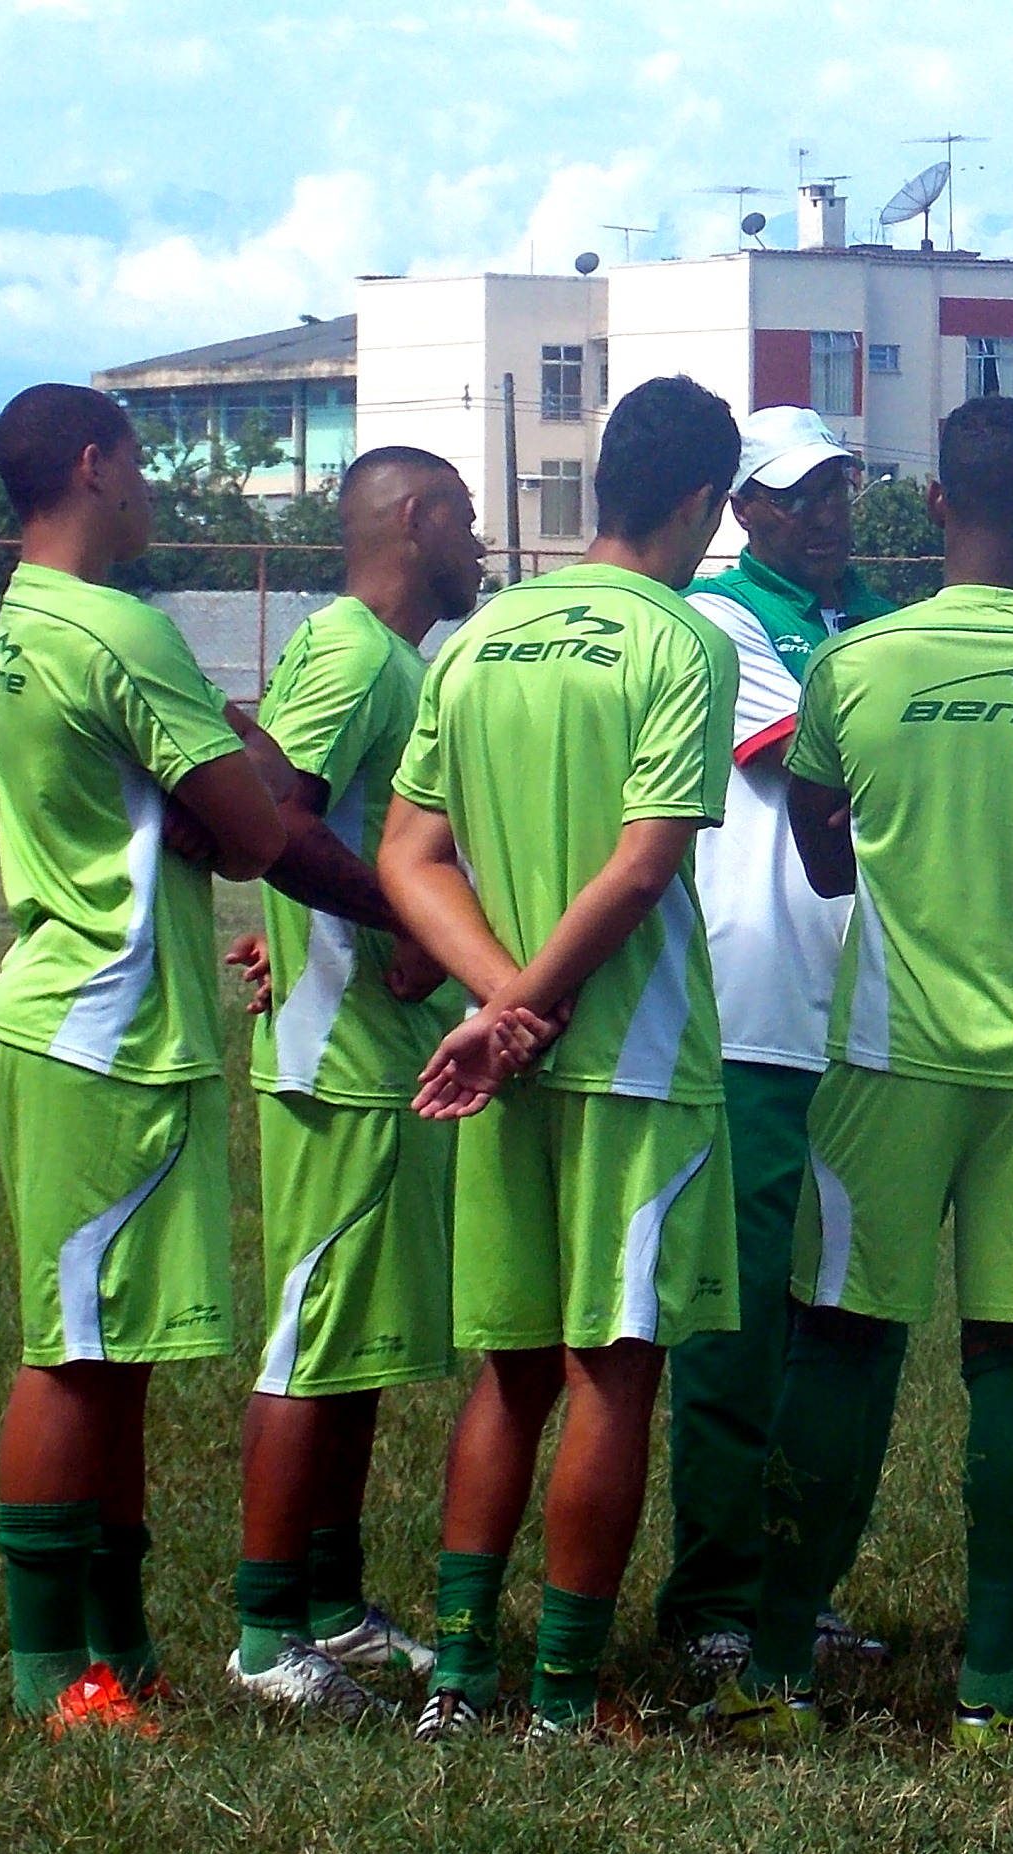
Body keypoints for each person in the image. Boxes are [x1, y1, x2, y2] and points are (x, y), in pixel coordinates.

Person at [701, 395, 1013, 1749]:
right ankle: (993, 1685)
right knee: (1009, 1358)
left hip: (885, 1054)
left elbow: (821, 844)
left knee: (840, 1346)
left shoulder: (858, 665)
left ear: (939, 508)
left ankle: (778, 1666)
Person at [377, 375, 744, 1742]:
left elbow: (408, 855)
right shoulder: (683, 644)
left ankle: (460, 1680)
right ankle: (567, 1693)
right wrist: (531, 1005)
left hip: (502, 1063)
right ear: (704, 502)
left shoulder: (473, 644)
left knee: (510, 1369)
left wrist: (493, 1004)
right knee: (613, 1367)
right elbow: (646, 865)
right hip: (632, 1062)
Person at [0, 383, 288, 1733]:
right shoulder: (120, 628)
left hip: (79, 1011)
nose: (155, 490)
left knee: (121, 1348)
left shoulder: (27, 615)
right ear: (95, 468)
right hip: (104, 1023)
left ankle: (122, 1643)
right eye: (146, 464)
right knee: (76, 1348)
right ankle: (52, 1671)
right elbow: (256, 829)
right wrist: (241, 731)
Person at [222, 447, 487, 1718]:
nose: (481, 544)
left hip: (383, 1054)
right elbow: (277, 811)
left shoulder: (398, 662)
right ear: (418, 519)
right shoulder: (348, 648)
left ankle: (331, 1609)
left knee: (356, 1346)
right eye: (471, 519)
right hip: (341, 1060)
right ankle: (266, 1632)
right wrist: (401, 916)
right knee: (311, 1337)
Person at [656, 407, 901, 1681]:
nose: (827, 514)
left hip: (867, 1012)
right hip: (755, 1007)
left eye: (839, 491)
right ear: (743, 508)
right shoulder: (723, 623)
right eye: (800, 495)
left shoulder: (869, 622)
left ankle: (793, 1584)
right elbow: (820, 764)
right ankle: (710, 1597)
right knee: (739, 1321)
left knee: (844, 1314)